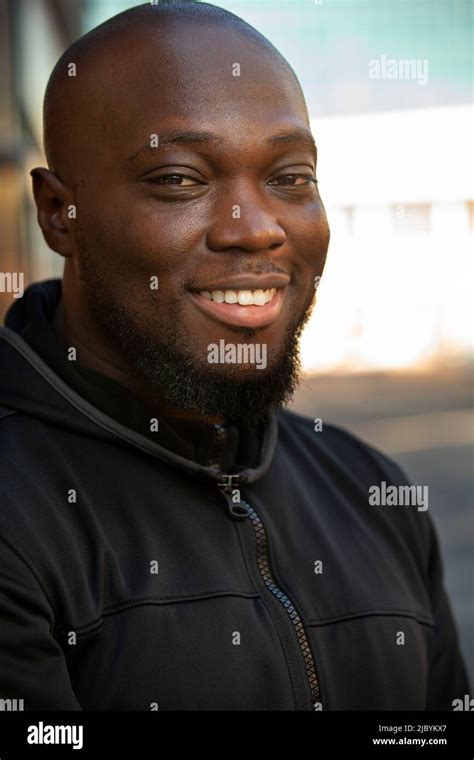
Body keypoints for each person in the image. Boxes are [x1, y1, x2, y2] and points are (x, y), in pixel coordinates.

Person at [0, 0, 468, 710]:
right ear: (61, 213)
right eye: (181, 179)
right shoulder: (18, 519)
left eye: (290, 177)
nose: (255, 232)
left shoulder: (375, 494)